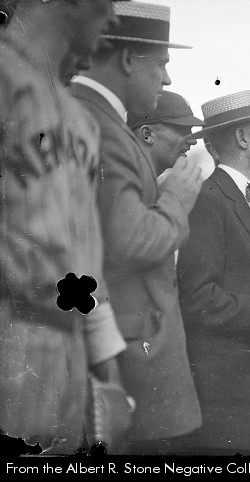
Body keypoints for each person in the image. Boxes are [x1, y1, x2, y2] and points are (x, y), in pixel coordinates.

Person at [70, 1, 203, 454]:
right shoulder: (100, 126)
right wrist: (177, 200)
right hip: (129, 359)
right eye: (161, 63)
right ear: (128, 59)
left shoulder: (97, 118)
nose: (166, 79)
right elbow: (131, 241)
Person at [0, 0, 127, 454]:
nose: (111, 15)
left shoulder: (80, 119)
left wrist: (108, 373)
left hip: (63, 354)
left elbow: (85, 259)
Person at [177, 89, 250, 455]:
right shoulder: (209, 200)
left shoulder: (243, 197)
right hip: (229, 398)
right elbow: (198, 299)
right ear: (243, 138)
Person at [128, 90, 204, 180]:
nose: (193, 141)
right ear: (147, 134)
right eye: (182, 131)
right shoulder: (122, 182)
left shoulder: (132, 181)